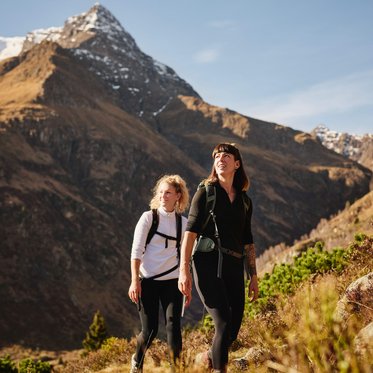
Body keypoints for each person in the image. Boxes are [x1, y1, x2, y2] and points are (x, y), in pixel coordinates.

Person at [178, 143, 259, 373]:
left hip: (234, 266)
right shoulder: (205, 192)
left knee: (232, 330)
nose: (220, 159)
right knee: (222, 321)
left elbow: (248, 240)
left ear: (237, 164)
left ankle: (207, 358)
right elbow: (190, 233)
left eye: (226, 156)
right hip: (207, 264)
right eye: (217, 156)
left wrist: (253, 275)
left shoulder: (245, 201)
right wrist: (184, 271)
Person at [128, 174, 189, 373]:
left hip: (173, 282)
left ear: (178, 196)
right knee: (150, 330)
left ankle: (176, 368)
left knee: (173, 326)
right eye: (161, 192)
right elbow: (136, 252)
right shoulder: (148, 218)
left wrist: (187, 284)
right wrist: (134, 281)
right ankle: (137, 361)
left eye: (168, 192)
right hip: (148, 281)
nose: (163, 196)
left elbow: (188, 258)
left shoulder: (184, 224)